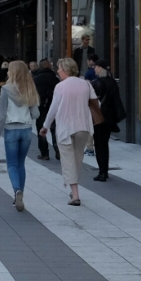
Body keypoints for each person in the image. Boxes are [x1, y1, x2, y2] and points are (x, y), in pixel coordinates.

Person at [42, 56, 96, 208]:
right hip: (83, 127)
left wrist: (46, 126)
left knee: (67, 161)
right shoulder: (86, 84)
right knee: (77, 159)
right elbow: (95, 102)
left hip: (65, 128)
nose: (58, 72)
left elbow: (53, 109)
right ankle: (74, 190)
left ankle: (75, 194)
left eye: (59, 69)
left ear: (65, 70)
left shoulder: (60, 87)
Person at [0, 60, 40, 213]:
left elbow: (1, 113)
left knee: (11, 164)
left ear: (13, 72)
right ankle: (20, 194)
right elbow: (36, 113)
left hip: (11, 129)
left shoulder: (5, 89)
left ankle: (17, 190)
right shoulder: (30, 88)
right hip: (26, 129)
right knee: (21, 164)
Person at [88, 55, 126, 182]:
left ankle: (102, 172)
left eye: (96, 67)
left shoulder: (96, 83)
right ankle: (104, 171)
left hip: (99, 118)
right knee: (104, 144)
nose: (94, 69)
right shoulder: (113, 82)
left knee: (99, 145)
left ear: (100, 68)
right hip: (110, 118)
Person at [31, 58, 59, 162]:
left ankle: (44, 153)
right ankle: (57, 146)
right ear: (49, 66)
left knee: (41, 128)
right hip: (54, 106)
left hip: (40, 106)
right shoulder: (55, 78)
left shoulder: (35, 79)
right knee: (54, 128)